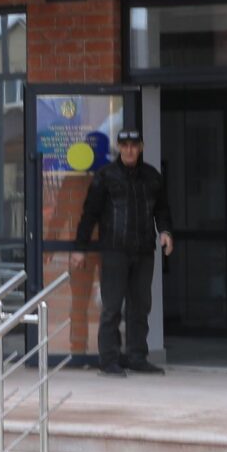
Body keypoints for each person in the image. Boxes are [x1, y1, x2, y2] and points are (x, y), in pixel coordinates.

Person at [74, 121, 172, 375]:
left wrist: (165, 232)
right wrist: (79, 247)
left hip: (144, 251)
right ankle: (109, 360)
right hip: (114, 251)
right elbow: (89, 214)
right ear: (119, 147)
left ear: (141, 147)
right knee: (112, 308)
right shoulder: (105, 177)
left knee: (141, 307)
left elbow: (162, 210)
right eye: (125, 145)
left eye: (134, 146)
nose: (129, 150)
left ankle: (137, 357)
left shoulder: (152, 177)